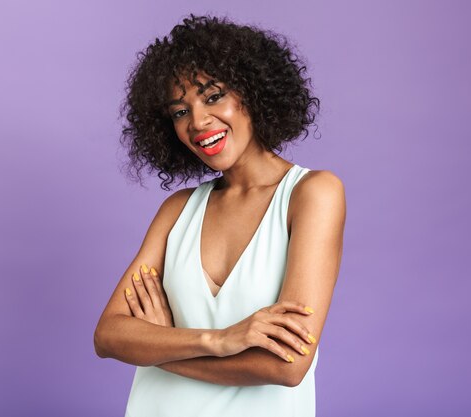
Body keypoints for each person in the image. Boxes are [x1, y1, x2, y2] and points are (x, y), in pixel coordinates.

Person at [94, 14, 346, 417]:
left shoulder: (312, 194)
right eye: (179, 111)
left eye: (213, 96)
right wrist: (219, 340)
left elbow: (288, 365)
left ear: (253, 91)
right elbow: (108, 336)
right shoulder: (178, 211)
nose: (197, 122)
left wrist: (160, 344)